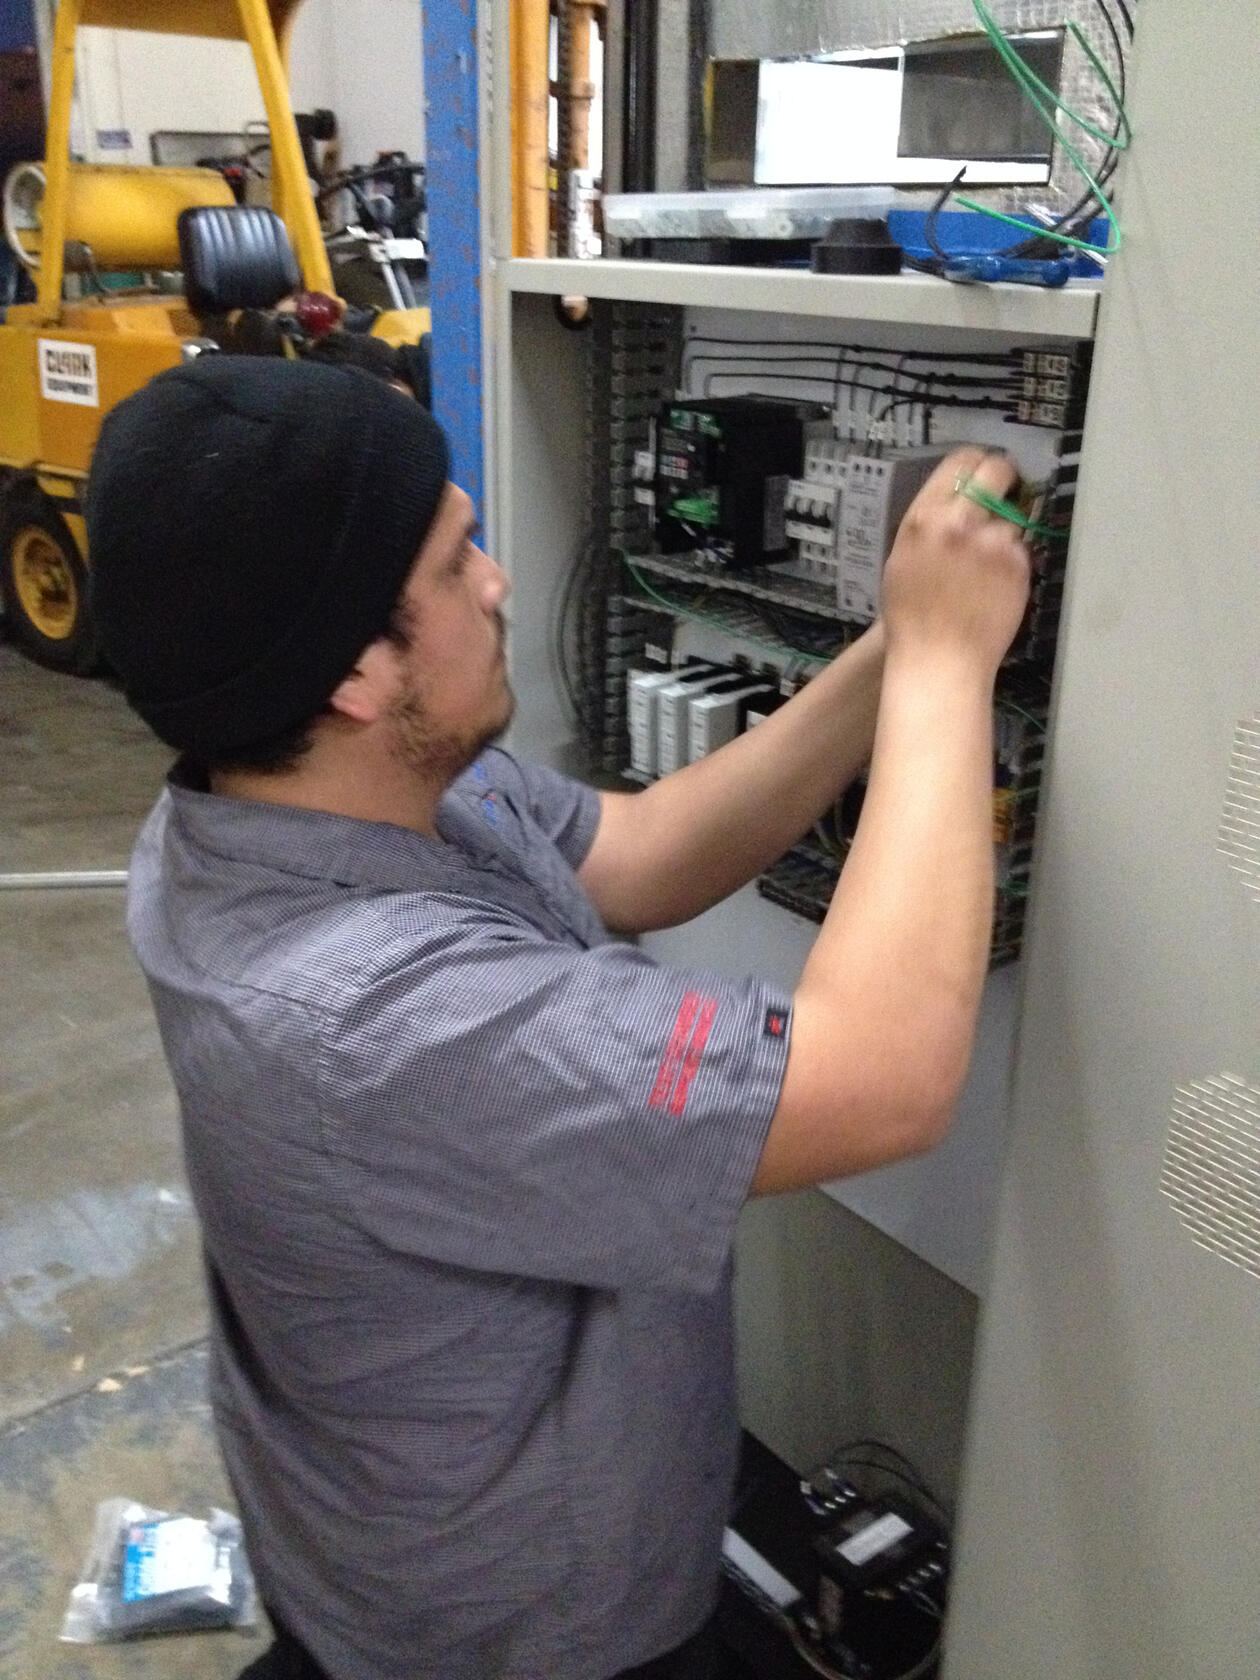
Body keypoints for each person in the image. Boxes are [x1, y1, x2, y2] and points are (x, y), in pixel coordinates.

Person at [84, 354, 1030, 1680]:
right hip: (517, 1642)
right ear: (360, 674)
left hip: (402, 1542)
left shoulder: (291, 792)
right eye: (458, 559)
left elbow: (644, 850)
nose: (498, 580)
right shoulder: (376, 1020)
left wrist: (892, 645)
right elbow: (883, 1077)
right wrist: (945, 668)